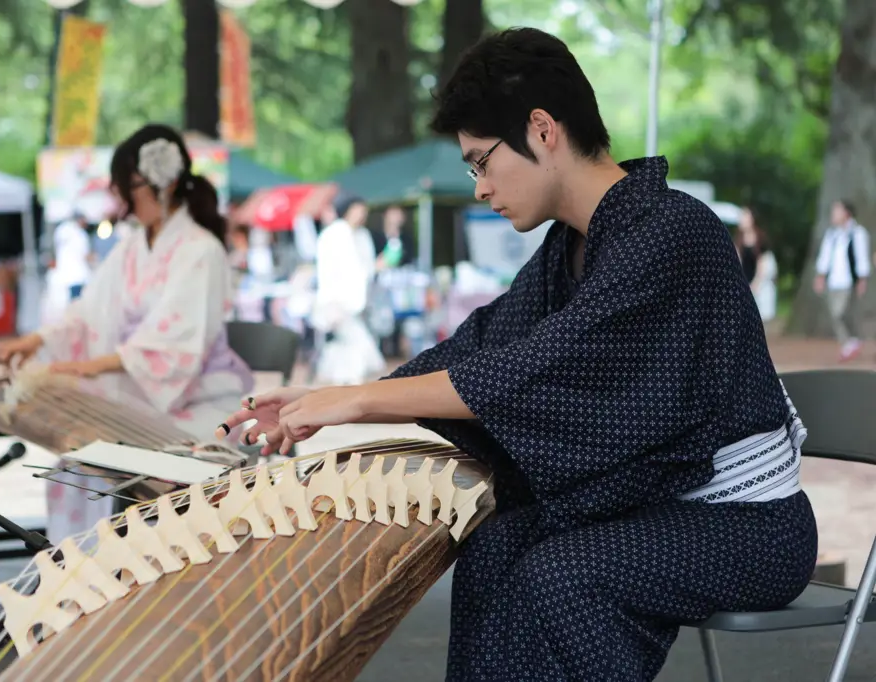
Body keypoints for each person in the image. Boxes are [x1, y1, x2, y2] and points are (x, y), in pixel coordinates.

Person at [218, 28, 817, 682]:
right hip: (661, 505)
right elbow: (484, 346)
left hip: (749, 526)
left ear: (541, 129)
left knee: (561, 576)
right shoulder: (572, 244)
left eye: (480, 161)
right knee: (496, 546)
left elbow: (538, 371)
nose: (479, 186)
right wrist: (321, 405)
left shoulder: (675, 230)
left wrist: (357, 400)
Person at [0, 124, 254, 544]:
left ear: (159, 184)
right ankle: (83, 568)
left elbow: (173, 343)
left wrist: (87, 366)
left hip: (196, 394)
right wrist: (37, 340)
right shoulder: (133, 246)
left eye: (125, 188)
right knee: (77, 458)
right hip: (143, 387)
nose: (122, 201)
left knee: (102, 457)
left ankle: (117, 566)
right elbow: (89, 310)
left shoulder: (200, 249)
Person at [311, 194, 384, 385]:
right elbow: (331, 271)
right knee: (356, 346)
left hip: (357, 301)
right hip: (336, 300)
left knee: (349, 350)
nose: (361, 215)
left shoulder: (361, 235)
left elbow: (364, 268)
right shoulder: (334, 234)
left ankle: (345, 387)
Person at [813, 199, 870, 361]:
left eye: (837, 211)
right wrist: (820, 276)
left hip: (848, 281)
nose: (833, 215)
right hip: (833, 282)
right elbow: (825, 258)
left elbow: (861, 257)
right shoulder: (832, 235)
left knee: (841, 313)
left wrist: (862, 279)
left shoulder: (857, 233)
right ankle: (849, 342)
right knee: (834, 313)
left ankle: (851, 342)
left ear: (846, 213)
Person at [735, 206, 778, 323]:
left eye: (744, 216)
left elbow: (763, 264)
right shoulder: (738, 240)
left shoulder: (761, 239)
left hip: (758, 286)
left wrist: (755, 284)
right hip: (744, 284)